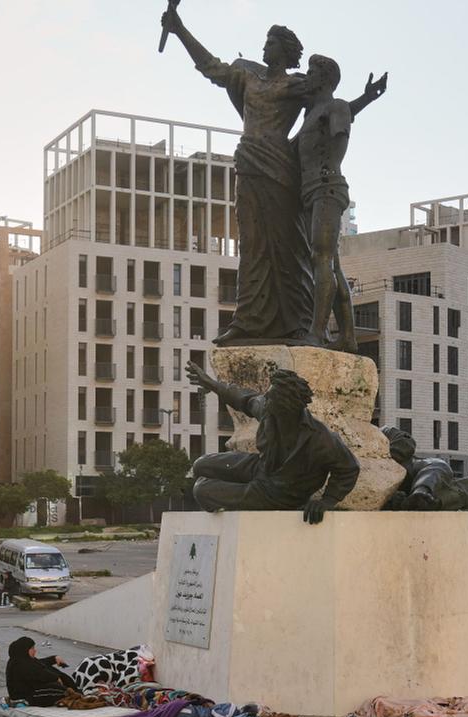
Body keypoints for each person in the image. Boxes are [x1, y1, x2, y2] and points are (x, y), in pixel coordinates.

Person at [162, 12, 312, 342]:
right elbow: (210, 67)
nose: (264, 46)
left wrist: (361, 103)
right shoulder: (248, 76)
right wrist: (179, 29)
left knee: (287, 245)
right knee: (252, 245)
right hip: (249, 164)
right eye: (265, 41)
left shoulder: (297, 84)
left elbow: (327, 112)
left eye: (271, 42)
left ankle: (300, 323)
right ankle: (248, 320)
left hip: (280, 168)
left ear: (285, 51)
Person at [187, 365, 360, 523]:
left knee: (202, 490)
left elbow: (349, 468)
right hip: (261, 467)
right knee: (200, 465)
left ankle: (237, 501)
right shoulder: (268, 411)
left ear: (286, 405)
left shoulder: (320, 438)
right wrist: (212, 384)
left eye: (271, 396)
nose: (266, 397)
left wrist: (327, 501)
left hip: (279, 494)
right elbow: (245, 399)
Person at [296, 56, 386, 348]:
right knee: (330, 263)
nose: (305, 76)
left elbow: (340, 124)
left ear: (324, 78)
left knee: (321, 259)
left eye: (311, 72)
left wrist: (325, 166)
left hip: (326, 187)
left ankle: (317, 332)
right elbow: (341, 111)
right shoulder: (313, 112)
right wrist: (366, 99)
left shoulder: (334, 108)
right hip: (312, 192)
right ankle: (347, 338)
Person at [5, 636, 77, 707]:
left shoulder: (21, 659)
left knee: (50, 670)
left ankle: (74, 691)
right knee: (60, 691)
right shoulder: (20, 664)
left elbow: (40, 664)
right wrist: (56, 678)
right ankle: (75, 696)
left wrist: (54, 659)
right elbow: (39, 673)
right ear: (25, 649)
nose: (35, 651)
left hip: (29, 692)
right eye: (32, 648)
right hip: (26, 696)